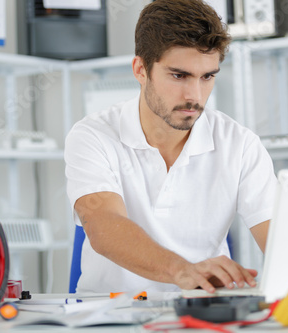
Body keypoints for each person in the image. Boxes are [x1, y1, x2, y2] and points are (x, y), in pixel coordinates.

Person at [65, 0, 277, 293]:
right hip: (110, 316)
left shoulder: (240, 144)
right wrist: (182, 272)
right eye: (179, 75)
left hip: (203, 313)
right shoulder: (93, 135)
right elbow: (103, 227)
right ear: (141, 70)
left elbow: (281, 243)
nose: (195, 95)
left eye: (208, 77)